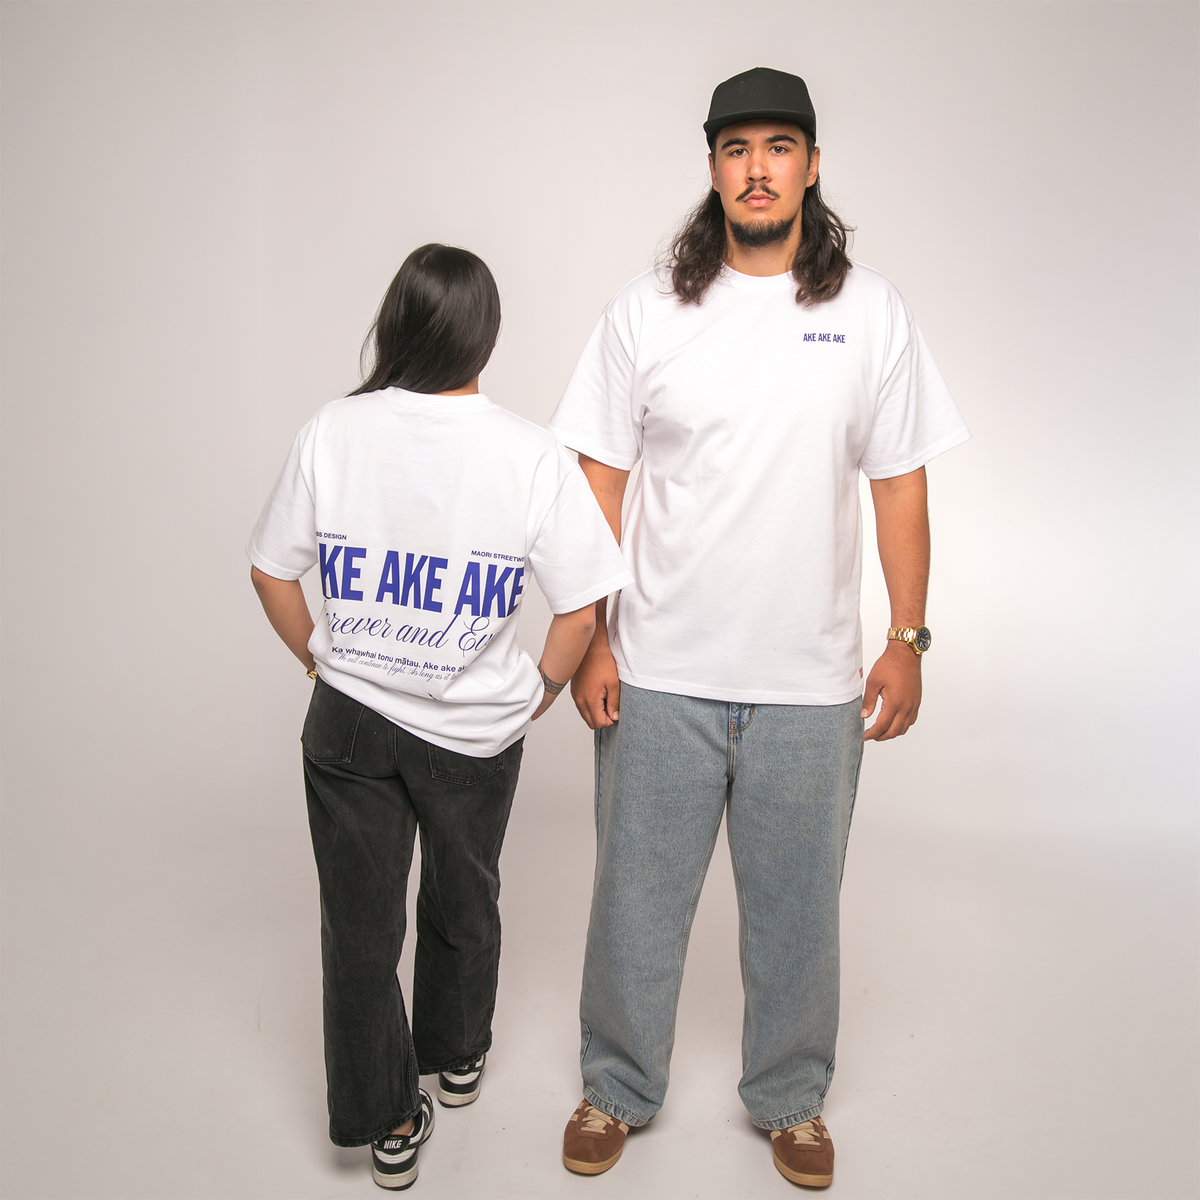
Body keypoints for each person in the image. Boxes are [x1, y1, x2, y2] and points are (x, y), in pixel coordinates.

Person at [548, 68, 970, 1188]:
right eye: (737, 148)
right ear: (712, 169)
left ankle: (790, 1101)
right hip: (658, 671)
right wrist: (591, 637)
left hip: (810, 682)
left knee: (798, 915)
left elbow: (900, 486)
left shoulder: (871, 311)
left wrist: (909, 638)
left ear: (813, 165)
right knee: (634, 902)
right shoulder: (647, 310)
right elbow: (598, 477)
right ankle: (615, 1086)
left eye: (780, 146)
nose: (758, 167)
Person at [246, 244, 631, 1191]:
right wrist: (539, 687)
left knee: (358, 928)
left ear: (397, 321)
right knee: (465, 898)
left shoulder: (332, 430)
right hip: (473, 733)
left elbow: (270, 568)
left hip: (348, 725)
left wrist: (319, 661)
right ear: (484, 337)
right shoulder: (530, 450)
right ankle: (456, 1057)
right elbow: (582, 602)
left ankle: (386, 1121)